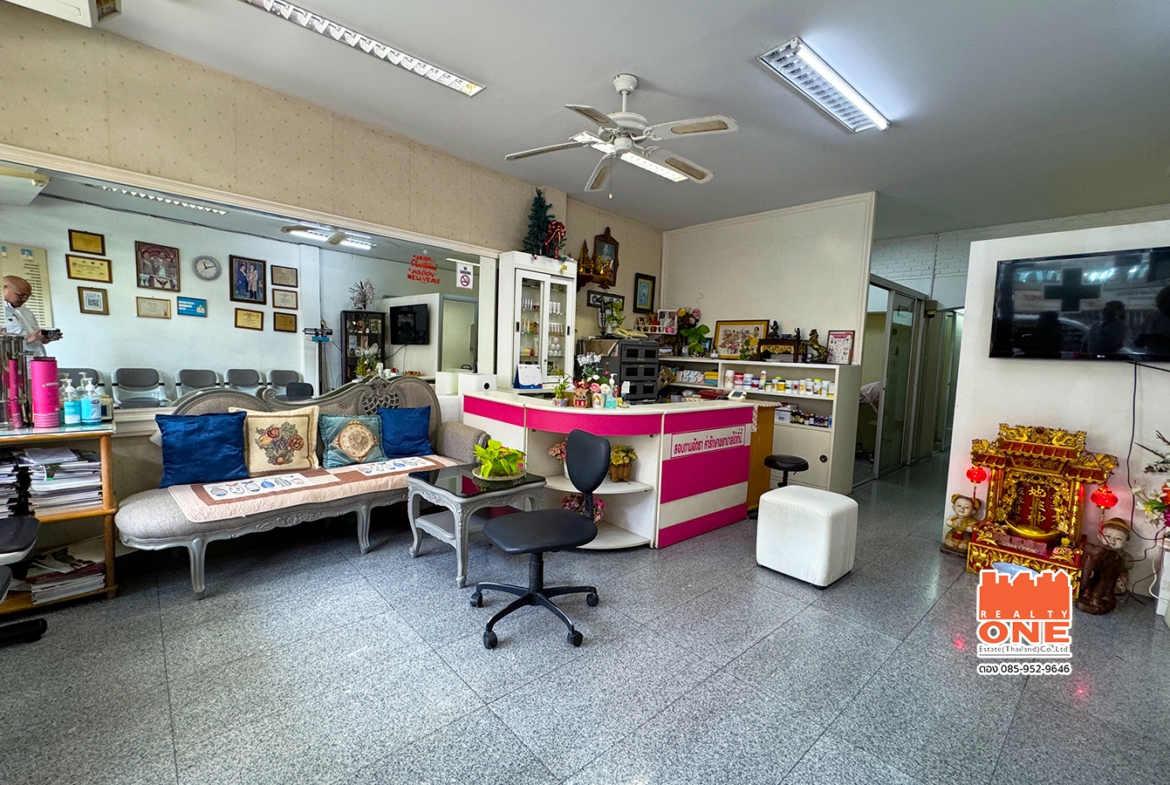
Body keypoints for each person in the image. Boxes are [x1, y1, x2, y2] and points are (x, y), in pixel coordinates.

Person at [4, 275, 61, 356]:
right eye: (21, 295)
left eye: (28, 296)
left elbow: (34, 336)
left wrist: (44, 338)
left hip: (37, 359)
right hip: (13, 361)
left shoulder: (26, 311)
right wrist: (30, 339)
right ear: (4, 288)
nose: (25, 299)